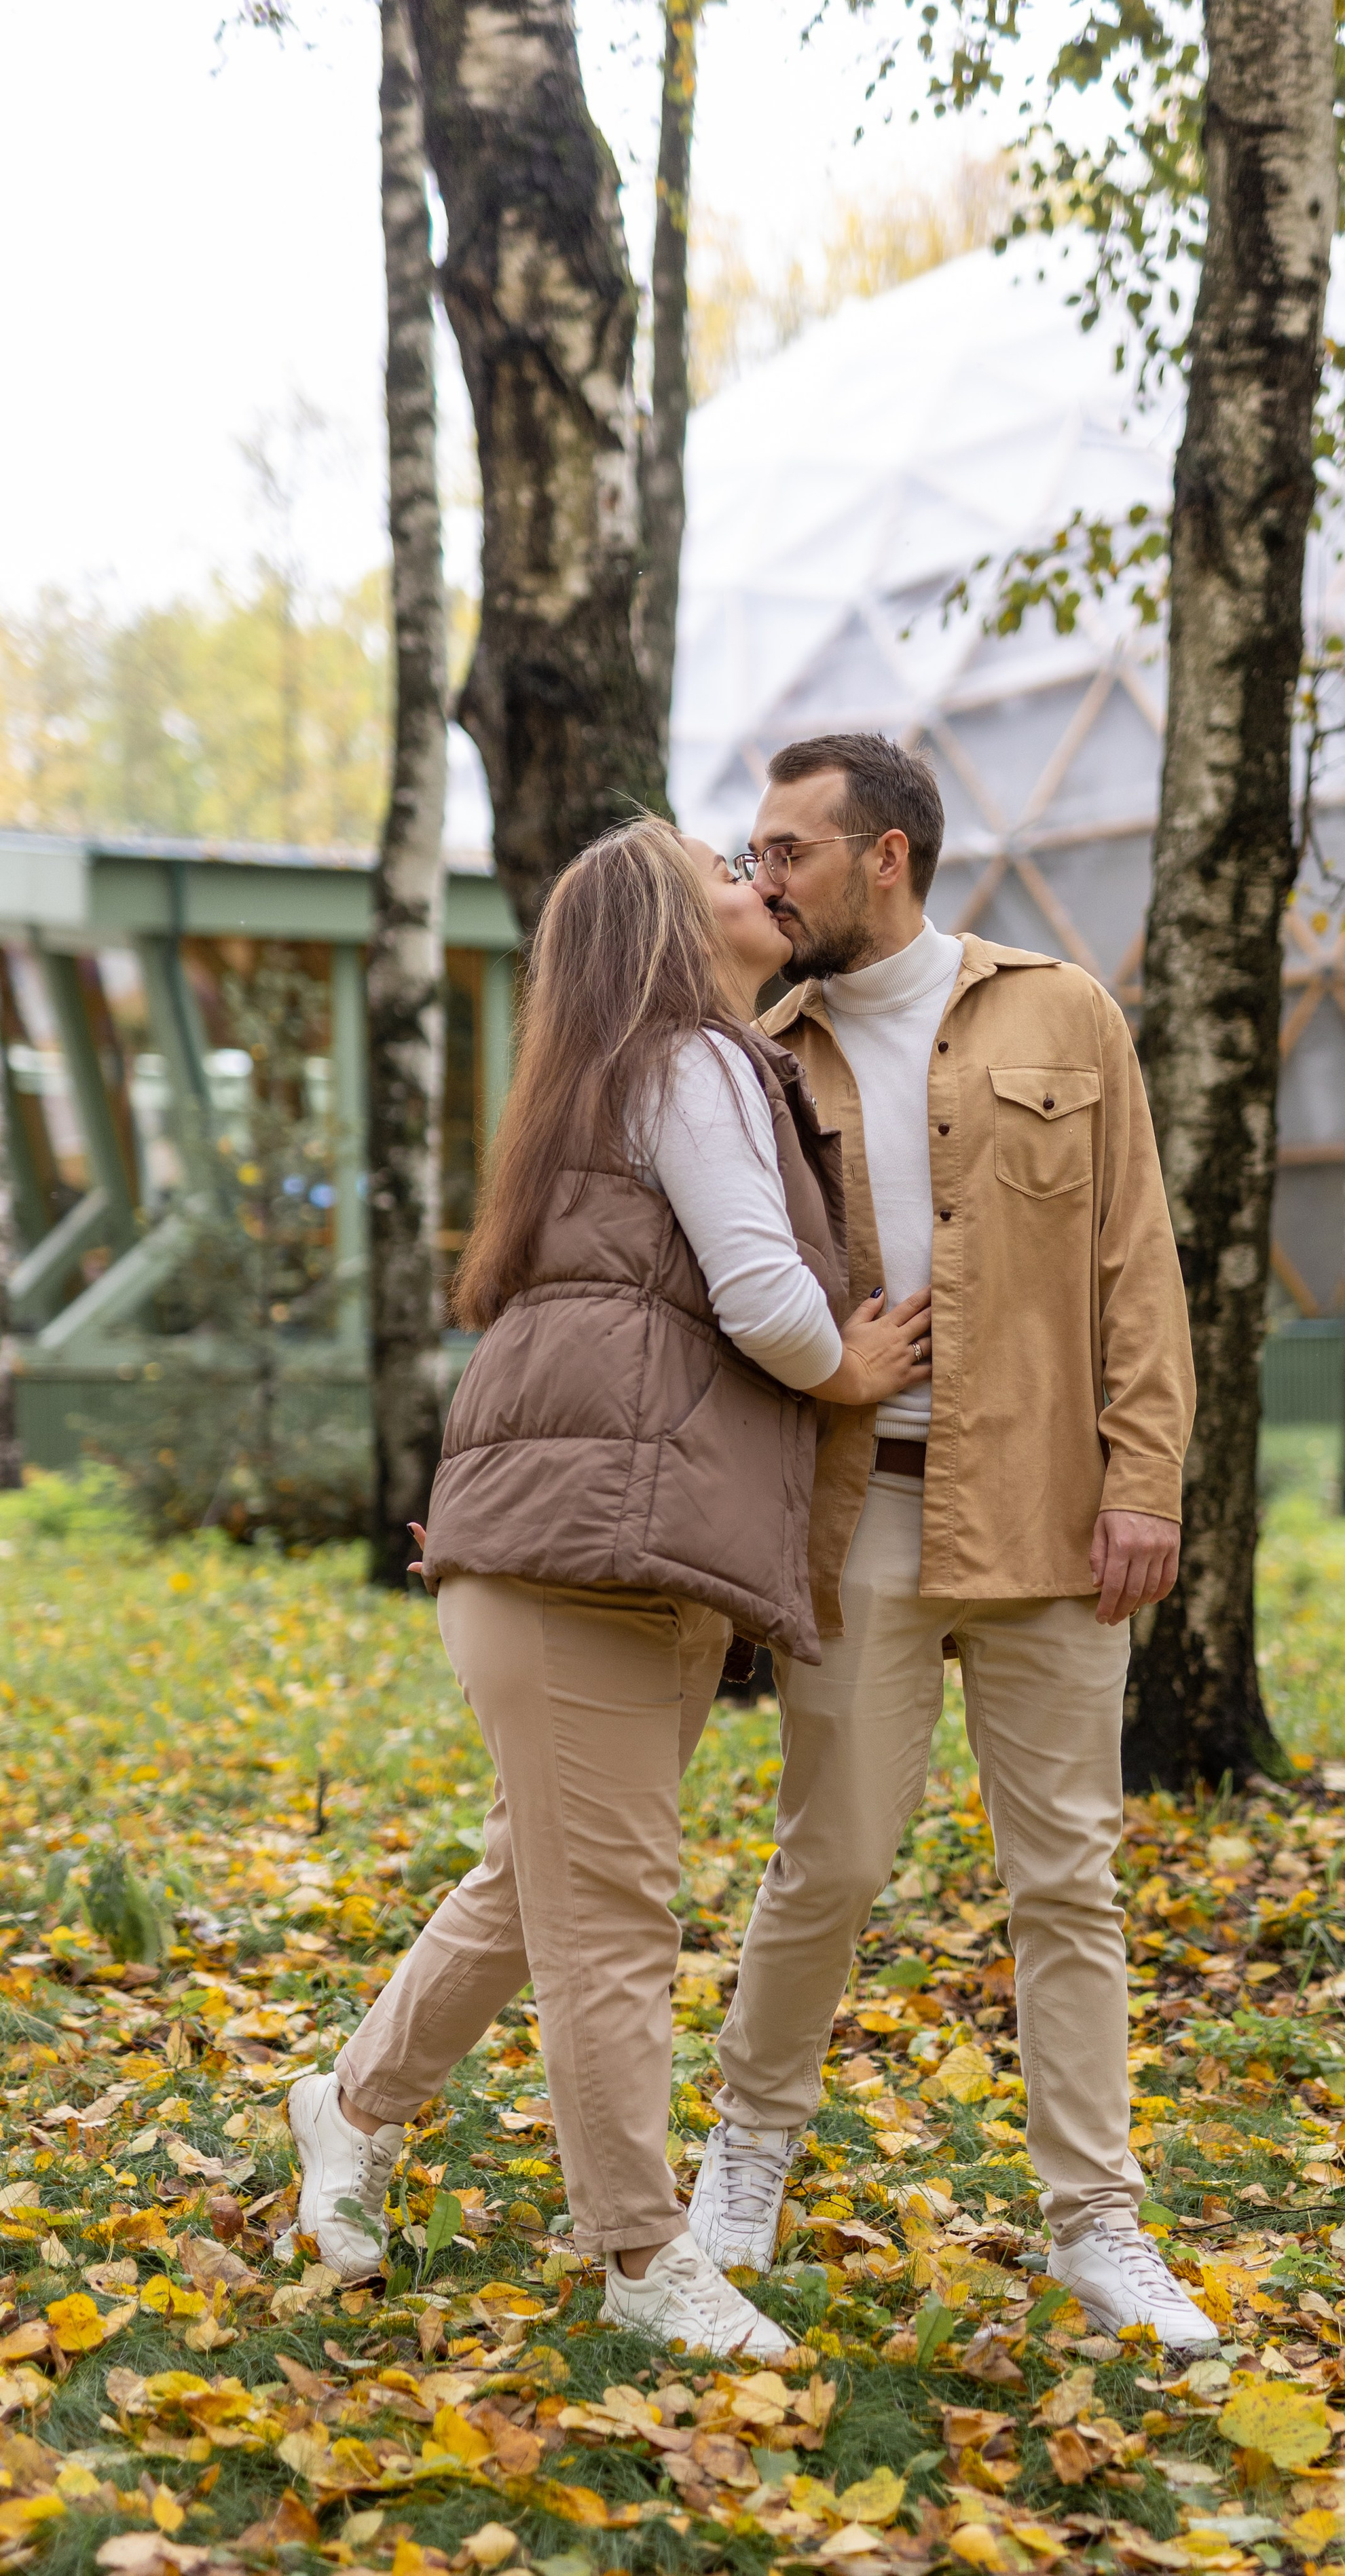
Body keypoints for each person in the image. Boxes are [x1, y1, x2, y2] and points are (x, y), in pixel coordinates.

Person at [285, 814, 932, 2359]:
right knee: (615, 1916)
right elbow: (768, 1295)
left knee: (541, 1883)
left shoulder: (614, 1076)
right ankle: (641, 2251)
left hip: (579, 1549)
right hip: (592, 1557)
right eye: (727, 867)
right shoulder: (692, 1059)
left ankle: (352, 2102)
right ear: (664, 927)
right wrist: (849, 1363)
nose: (756, 879)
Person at [685, 734, 1217, 2349]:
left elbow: (1134, 1260)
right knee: (829, 1860)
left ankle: (1096, 2222)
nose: (760, 875)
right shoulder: (757, 1046)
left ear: (884, 854)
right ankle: (746, 2154)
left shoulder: (1061, 1011)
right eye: (755, 852)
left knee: (1068, 1877)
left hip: (1055, 1514)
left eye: (786, 849)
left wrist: (1146, 1478)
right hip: (860, 1512)